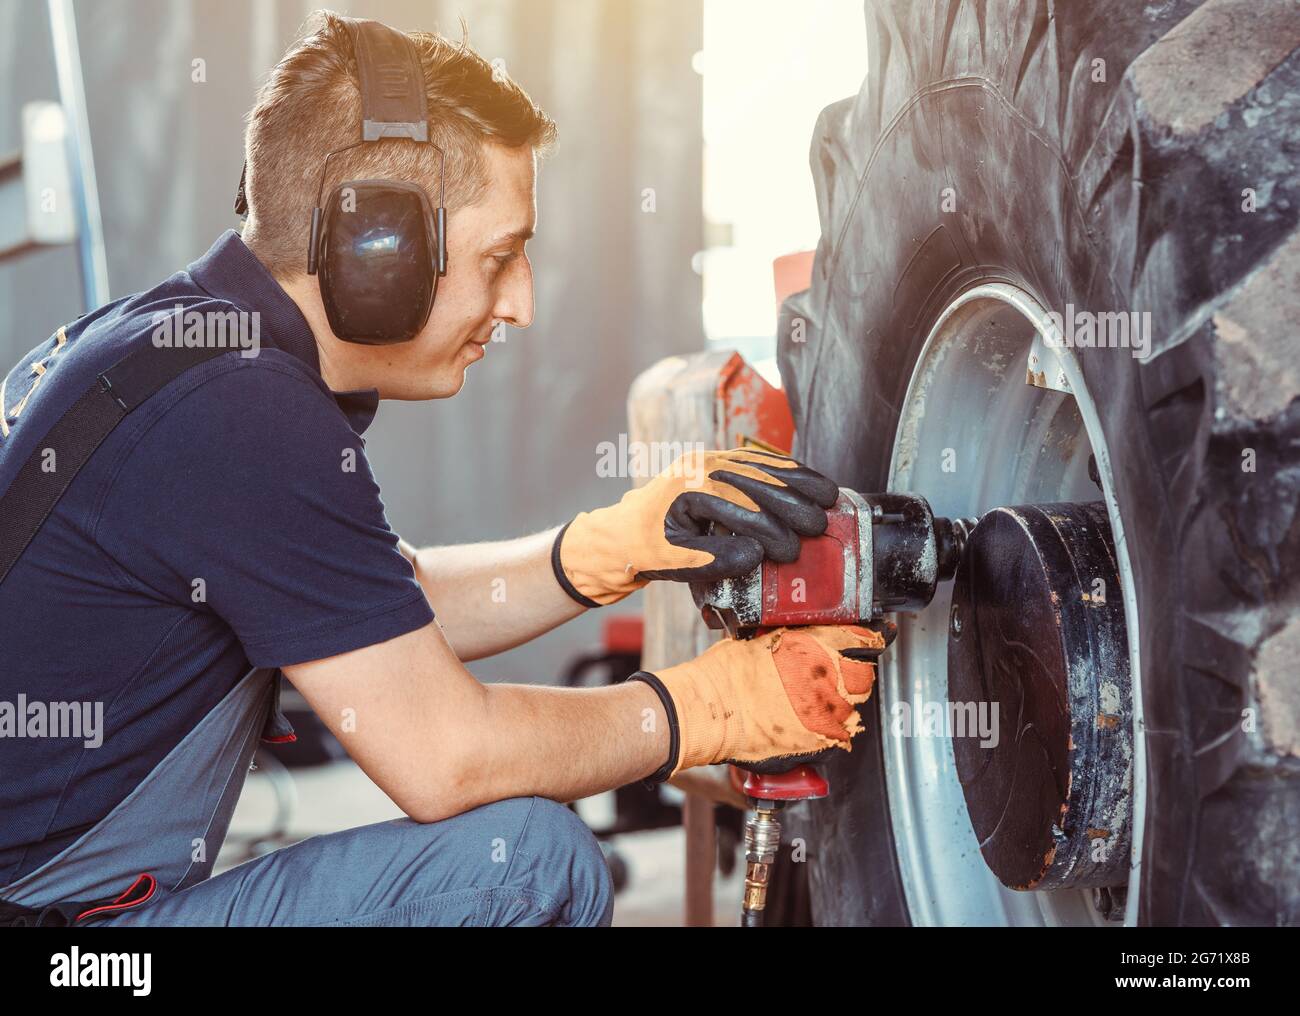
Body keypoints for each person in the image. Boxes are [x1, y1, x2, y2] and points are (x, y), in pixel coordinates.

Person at [0, 12, 879, 928]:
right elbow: (447, 757)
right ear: (375, 246)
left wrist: (603, 551)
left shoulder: (178, 345)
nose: (524, 303)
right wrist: (705, 708)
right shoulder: (237, 411)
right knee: (524, 866)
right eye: (501, 256)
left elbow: (378, 606)